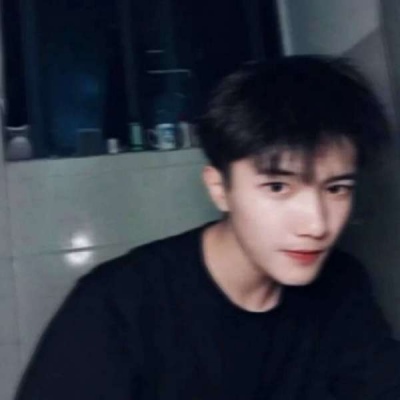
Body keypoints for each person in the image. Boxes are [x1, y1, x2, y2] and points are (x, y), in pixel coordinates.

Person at [15, 55, 400, 400]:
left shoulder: (343, 285)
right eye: (277, 187)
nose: (317, 225)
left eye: (336, 188)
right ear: (219, 189)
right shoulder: (116, 307)